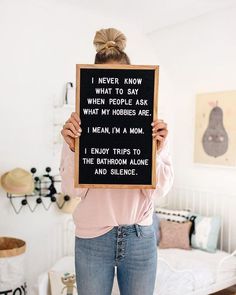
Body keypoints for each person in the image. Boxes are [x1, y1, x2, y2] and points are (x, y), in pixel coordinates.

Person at [60, 28, 174, 295]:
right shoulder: (77, 126)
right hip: (92, 239)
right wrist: (74, 149)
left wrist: (154, 152)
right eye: (104, 80)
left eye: (121, 79)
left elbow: (159, 191)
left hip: (140, 237)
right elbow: (71, 190)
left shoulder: (154, 127)